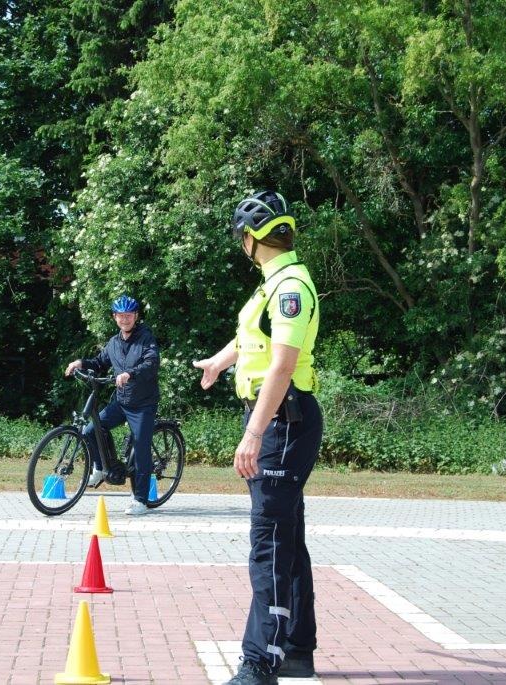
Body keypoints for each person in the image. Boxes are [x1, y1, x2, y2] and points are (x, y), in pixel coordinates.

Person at [193, 190, 324, 684]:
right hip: (281, 420)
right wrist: (218, 362)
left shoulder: (290, 286)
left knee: (268, 540)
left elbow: (284, 364)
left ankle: (260, 662)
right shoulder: (273, 284)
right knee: (287, 535)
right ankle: (294, 650)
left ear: (250, 239)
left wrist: (253, 432)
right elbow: (254, 337)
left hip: (282, 423)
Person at [65, 294, 161, 516]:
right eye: (120, 315)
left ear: (136, 316)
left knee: (141, 446)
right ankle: (100, 467)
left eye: (129, 315)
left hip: (143, 404)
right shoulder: (114, 343)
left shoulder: (145, 338)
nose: (125, 319)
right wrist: (80, 362)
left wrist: (130, 373)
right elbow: (100, 362)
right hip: (121, 401)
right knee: (91, 430)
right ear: (114, 317)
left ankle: (140, 500)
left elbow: (151, 363)